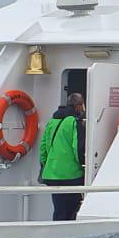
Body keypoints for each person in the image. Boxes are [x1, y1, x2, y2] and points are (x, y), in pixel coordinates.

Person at [38, 92, 86, 221]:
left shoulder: (52, 122)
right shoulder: (73, 122)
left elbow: (43, 148)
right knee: (72, 209)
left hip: (52, 174)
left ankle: (56, 237)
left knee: (59, 209)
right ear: (78, 106)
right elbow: (78, 148)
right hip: (71, 175)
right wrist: (84, 166)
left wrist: (46, 165)